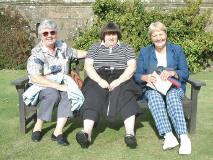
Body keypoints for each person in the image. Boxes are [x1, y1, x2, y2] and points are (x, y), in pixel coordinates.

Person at [75, 22, 142, 149]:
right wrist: (99, 80)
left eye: (114, 34)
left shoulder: (126, 48)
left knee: (126, 94)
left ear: (118, 35)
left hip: (122, 76)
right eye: (108, 34)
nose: (111, 37)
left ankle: (130, 134)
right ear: (103, 35)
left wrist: (119, 81)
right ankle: (86, 133)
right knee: (92, 95)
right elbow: (88, 66)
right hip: (98, 76)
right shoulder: (94, 47)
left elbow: (132, 66)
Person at [27, 19, 87, 146]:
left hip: (62, 83)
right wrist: (59, 86)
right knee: (52, 94)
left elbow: (76, 53)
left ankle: (58, 133)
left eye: (52, 32)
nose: (49, 35)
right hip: (43, 85)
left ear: (56, 33)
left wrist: (95, 53)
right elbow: (36, 78)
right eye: (45, 33)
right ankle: (38, 127)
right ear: (41, 36)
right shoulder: (36, 53)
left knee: (68, 94)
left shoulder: (62, 47)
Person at [135, 22, 191, 154]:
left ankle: (184, 138)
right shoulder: (144, 52)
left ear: (165, 34)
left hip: (173, 88)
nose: (158, 38)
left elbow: (185, 72)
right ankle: (169, 136)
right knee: (153, 97)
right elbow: (137, 75)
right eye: (155, 35)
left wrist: (172, 73)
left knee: (172, 97)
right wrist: (145, 77)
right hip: (154, 88)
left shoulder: (176, 49)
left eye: (161, 34)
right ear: (151, 37)